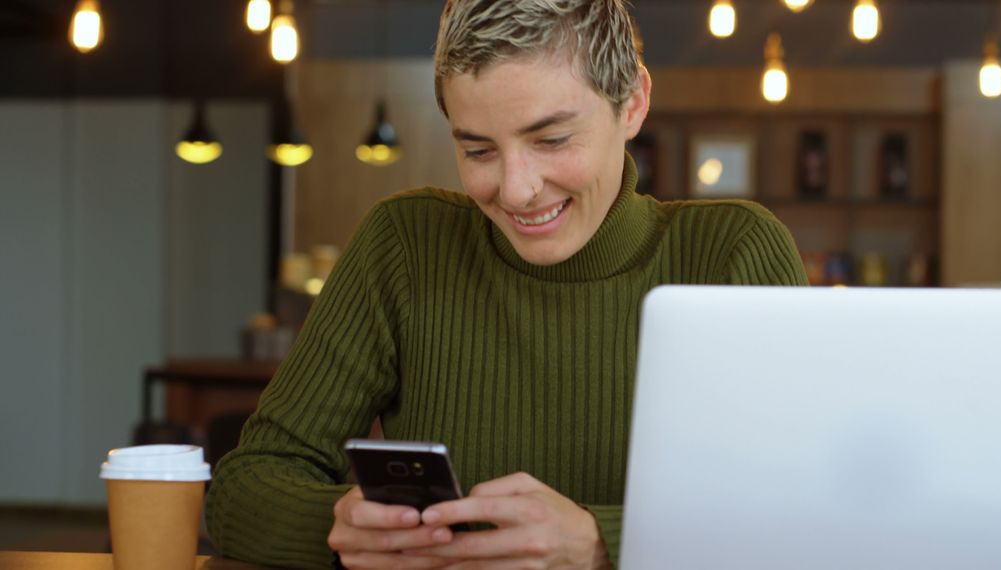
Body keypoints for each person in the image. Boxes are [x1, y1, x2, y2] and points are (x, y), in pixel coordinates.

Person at [205, 0, 808, 568]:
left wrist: (602, 543)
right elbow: (242, 487)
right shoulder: (406, 247)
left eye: (551, 139)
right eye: (479, 150)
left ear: (632, 104)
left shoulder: (733, 253)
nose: (516, 190)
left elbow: (810, 514)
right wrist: (337, 525)